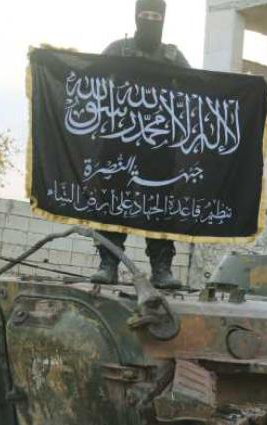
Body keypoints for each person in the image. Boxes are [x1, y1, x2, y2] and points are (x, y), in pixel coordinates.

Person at [91, 0, 188, 289]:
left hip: (159, 142)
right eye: (145, 15)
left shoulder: (173, 57)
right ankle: (108, 264)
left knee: (159, 204)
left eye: (156, 16)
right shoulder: (117, 50)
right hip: (118, 139)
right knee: (111, 201)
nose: (150, 20)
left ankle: (161, 269)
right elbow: (89, 79)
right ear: (136, 17)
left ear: (164, 20)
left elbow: (198, 89)